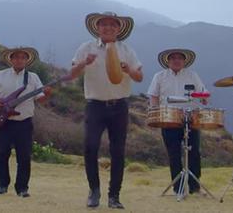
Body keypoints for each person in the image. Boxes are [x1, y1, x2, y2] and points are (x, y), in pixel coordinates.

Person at [70, 11, 143, 209]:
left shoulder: (127, 50)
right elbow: (71, 75)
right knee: (90, 147)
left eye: (113, 24)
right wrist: (85, 63)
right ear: (97, 27)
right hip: (95, 105)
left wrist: (128, 70)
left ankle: (114, 196)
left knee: (118, 151)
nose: (108, 27)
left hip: (119, 106)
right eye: (104, 24)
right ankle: (94, 191)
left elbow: (139, 77)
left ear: (119, 29)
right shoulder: (86, 48)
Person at [0, 47, 51, 198]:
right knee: (1, 153)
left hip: (24, 122)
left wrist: (47, 94)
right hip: (5, 122)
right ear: (11, 59)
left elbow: (40, 99)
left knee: (24, 156)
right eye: (16, 57)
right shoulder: (0, 75)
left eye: (22, 57)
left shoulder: (33, 78)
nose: (19, 60)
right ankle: (2, 185)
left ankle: (22, 188)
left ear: (27, 60)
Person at [147, 48, 206, 195]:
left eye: (180, 58)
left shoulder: (193, 76)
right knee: (173, 153)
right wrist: (156, 113)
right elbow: (153, 96)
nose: (176, 60)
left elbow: (204, 94)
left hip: (191, 118)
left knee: (194, 153)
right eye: (173, 58)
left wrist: (203, 97)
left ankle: (195, 187)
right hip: (169, 118)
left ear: (184, 61)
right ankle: (177, 188)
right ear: (168, 61)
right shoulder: (159, 76)